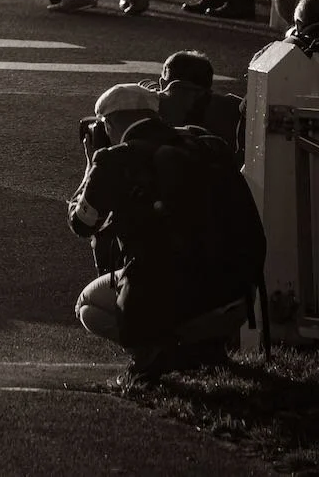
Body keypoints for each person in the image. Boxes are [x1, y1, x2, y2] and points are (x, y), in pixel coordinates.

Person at [70, 84, 267, 382]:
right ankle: (205, 348)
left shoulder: (113, 160)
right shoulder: (204, 142)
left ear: (108, 125)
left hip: (173, 301)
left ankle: (152, 353)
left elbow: (82, 225)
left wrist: (90, 167)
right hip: (237, 297)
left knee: (87, 305)